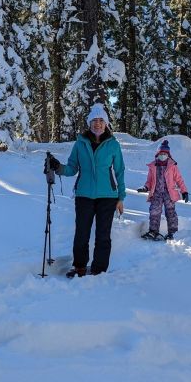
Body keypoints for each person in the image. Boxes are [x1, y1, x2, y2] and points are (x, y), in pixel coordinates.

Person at [45, 103, 125, 278]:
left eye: (101, 121)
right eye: (94, 120)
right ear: (89, 123)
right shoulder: (80, 144)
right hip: (84, 195)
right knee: (82, 233)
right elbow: (72, 168)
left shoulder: (113, 145)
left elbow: (119, 171)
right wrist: (58, 167)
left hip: (108, 197)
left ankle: (99, 269)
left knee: (103, 235)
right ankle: (80, 267)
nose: (97, 124)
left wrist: (121, 197)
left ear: (106, 124)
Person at [137, 140, 188, 241]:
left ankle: (173, 233)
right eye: (161, 153)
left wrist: (184, 191)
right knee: (154, 212)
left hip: (169, 193)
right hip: (156, 193)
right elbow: (149, 180)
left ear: (168, 154)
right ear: (157, 153)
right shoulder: (153, 166)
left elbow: (179, 179)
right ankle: (153, 231)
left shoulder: (172, 166)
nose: (163, 155)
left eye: (165, 153)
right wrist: (145, 187)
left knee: (171, 213)